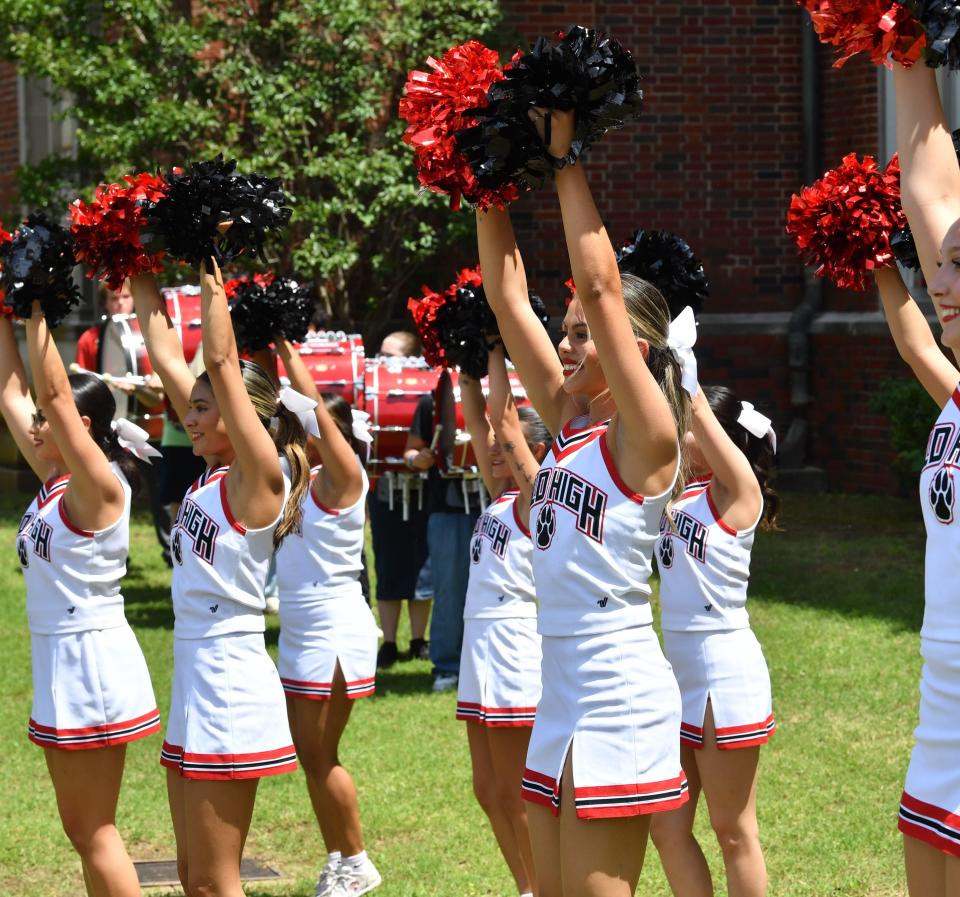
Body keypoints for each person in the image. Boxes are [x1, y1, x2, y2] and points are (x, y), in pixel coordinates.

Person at [476, 108, 690, 896]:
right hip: (557, 677)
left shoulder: (648, 441)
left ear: (633, 352)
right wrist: (482, 176)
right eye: (562, 333)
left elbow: (601, 285)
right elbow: (506, 298)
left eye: (579, 334)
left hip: (618, 682)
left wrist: (564, 159)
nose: (564, 345)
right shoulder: (567, 424)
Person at [131, 264, 310, 897]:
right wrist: (139, 261)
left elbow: (223, 359)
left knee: (213, 882)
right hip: (195, 672)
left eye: (204, 408)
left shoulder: (255, 480)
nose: (190, 418)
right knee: (191, 876)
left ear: (242, 417)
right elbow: (161, 348)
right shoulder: (212, 475)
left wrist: (211, 269)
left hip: (229, 675)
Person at [0, 308, 159, 897]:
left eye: (48, 421)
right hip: (60, 653)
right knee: (82, 828)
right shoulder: (56, 478)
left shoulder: (98, 486)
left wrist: (40, 304)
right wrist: (6, 305)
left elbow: (52, 394)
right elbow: (12, 390)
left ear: (79, 424)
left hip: (88, 655)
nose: (35, 426)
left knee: (92, 828)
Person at [880, 58, 960, 895]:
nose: (942, 280)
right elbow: (931, 197)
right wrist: (901, 44)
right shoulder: (956, 395)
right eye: (944, 262)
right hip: (939, 696)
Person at [650, 385, 779, 897]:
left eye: (687, 423)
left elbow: (699, 411)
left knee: (732, 830)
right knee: (667, 828)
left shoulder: (738, 494)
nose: (680, 431)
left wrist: (689, 378)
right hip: (675, 672)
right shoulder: (679, 495)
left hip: (722, 672)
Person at [273, 337, 382, 897]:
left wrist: (290, 354)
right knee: (308, 752)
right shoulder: (301, 485)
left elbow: (315, 412)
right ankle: (340, 858)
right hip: (298, 627)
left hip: (333, 624)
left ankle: (356, 861)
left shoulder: (345, 482)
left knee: (320, 751)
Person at [457, 343, 549, 897]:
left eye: (502, 446)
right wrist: (468, 360)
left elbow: (501, 423)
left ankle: (544, 886)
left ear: (530, 449)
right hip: (479, 643)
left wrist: (497, 350)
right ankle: (526, 886)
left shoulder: (536, 501)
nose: (489, 449)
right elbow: (479, 420)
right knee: (488, 789)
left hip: (515, 644)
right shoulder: (498, 497)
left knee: (515, 789)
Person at [405, 386, 481, 691]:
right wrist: (416, 459)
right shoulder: (433, 400)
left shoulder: (504, 391)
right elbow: (411, 450)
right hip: (447, 506)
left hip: (502, 501)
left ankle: (486, 661)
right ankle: (448, 665)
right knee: (448, 587)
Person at [368, 330, 433, 666]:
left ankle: (420, 640)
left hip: (423, 487)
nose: (381, 361)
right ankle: (390, 641)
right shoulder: (370, 385)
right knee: (388, 561)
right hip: (385, 484)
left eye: (389, 356)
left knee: (423, 564)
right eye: (380, 354)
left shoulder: (430, 387)